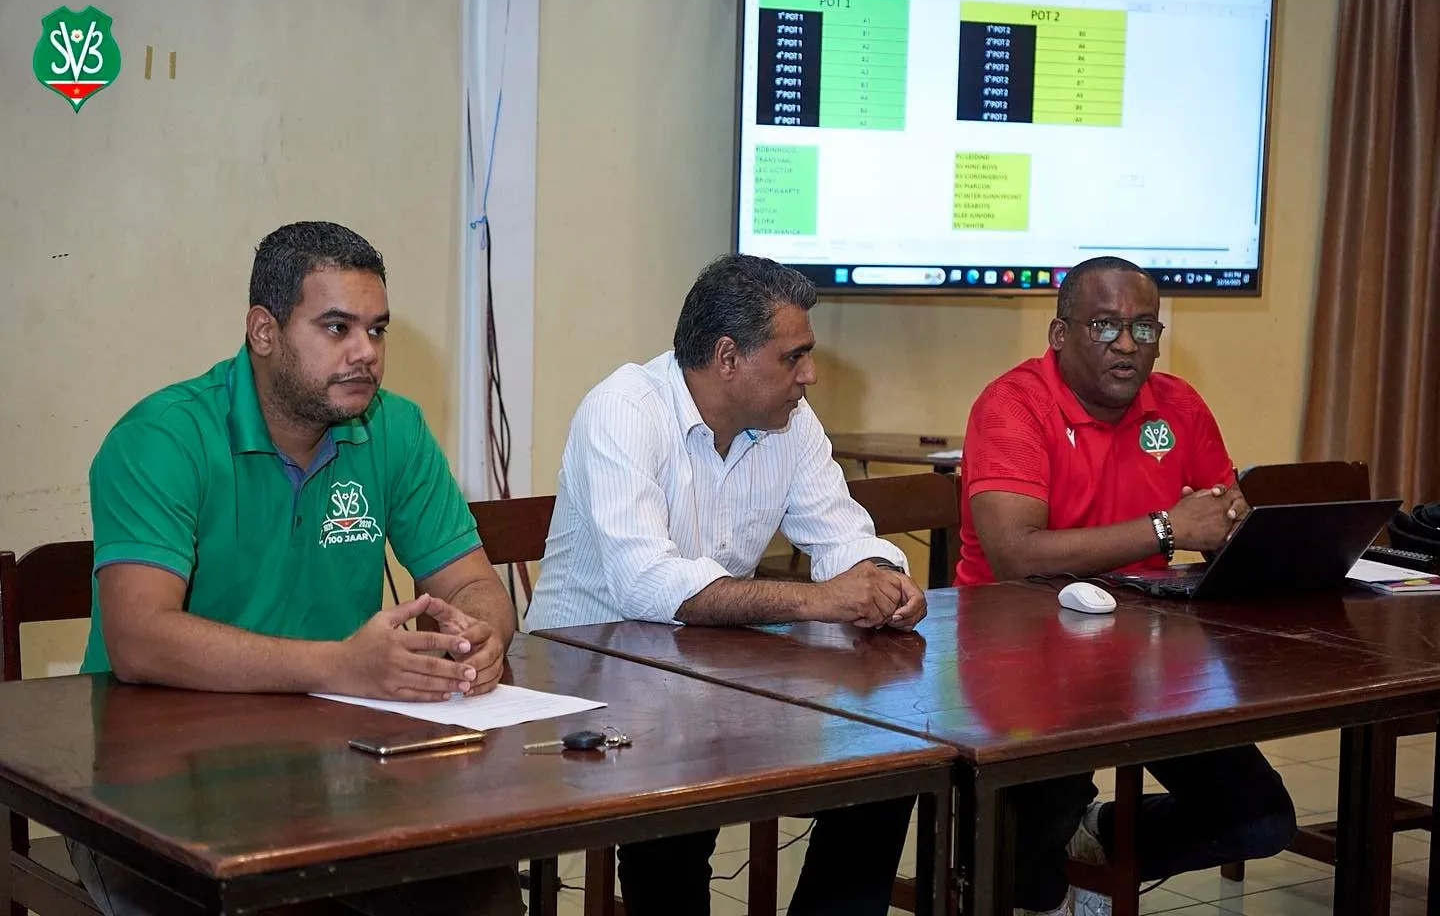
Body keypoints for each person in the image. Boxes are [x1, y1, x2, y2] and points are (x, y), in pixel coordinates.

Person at [73, 221, 523, 916]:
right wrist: (340, 665)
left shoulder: (394, 429)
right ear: (264, 331)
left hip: (336, 773)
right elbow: (139, 638)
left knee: (476, 884)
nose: (365, 352)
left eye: (377, 330)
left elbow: (473, 585)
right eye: (337, 328)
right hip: (157, 793)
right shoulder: (162, 438)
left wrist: (481, 638)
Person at [526, 252, 925, 916]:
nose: (810, 375)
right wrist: (819, 599)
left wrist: (883, 578)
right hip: (587, 679)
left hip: (708, 674)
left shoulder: (789, 422)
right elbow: (645, 584)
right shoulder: (623, 409)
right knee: (677, 802)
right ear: (728, 357)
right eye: (794, 357)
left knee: (883, 767)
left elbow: (842, 535)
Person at [956, 256, 1296, 916]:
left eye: (1144, 328)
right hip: (1017, 658)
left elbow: (1223, 516)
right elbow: (1015, 554)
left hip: (1150, 657)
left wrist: (1232, 527)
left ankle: (1098, 842)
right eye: (1105, 325)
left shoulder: (1177, 404)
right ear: (1060, 335)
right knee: (1025, 876)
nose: (1126, 344)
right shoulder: (1013, 404)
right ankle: (1046, 859)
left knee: (1260, 819)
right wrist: (1167, 528)